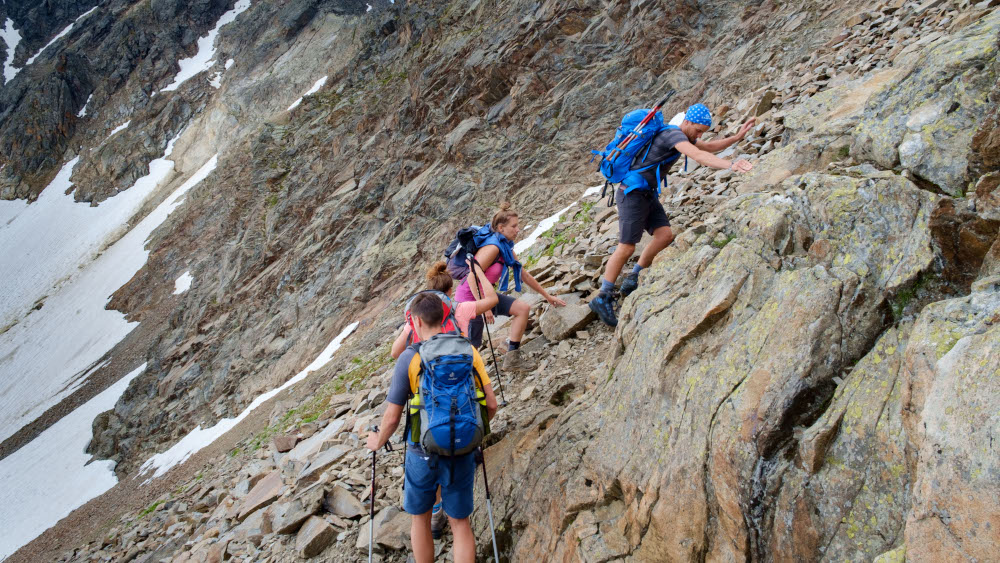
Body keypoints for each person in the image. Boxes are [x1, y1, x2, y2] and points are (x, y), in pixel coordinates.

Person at [589, 104, 757, 327]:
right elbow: (698, 155)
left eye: (702, 132)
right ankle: (603, 297)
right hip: (631, 194)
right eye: (698, 130)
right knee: (627, 246)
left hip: (646, 193)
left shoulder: (681, 135)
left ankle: (633, 278)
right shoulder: (673, 135)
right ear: (687, 122)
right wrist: (731, 165)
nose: (699, 135)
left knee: (665, 235)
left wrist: (738, 137)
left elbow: (707, 147)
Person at [367, 292, 499, 563]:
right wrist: (469, 431)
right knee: (460, 523)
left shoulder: (410, 358)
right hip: (463, 447)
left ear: (415, 321)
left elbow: (392, 417)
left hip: (422, 450)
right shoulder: (469, 351)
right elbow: (492, 405)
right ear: (444, 316)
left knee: (421, 519)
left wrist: (377, 441)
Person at [458, 202, 567, 371]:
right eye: (514, 226)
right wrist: (484, 306)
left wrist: (547, 296)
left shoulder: (505, 246)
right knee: (472, 346)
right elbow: (472, 276)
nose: (518, 229)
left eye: (518, 225)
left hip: (486, 297)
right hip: (469, 299)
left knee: (522, 309)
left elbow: (524, 274)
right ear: (501, 228)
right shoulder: (493, 247)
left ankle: (512, 359)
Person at [390, 259, 498, 360]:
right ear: (450, 291)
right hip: (462, 370)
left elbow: (395, 353)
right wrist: (478, 271)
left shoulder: (418, 317)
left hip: (434, 373)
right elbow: (492, 299)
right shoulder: (461, 309)